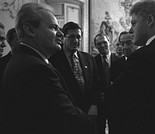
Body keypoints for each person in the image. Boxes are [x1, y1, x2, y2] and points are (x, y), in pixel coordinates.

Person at [1, 3, 93, 134]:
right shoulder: (36, 68)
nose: (61, 34)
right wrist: (90, 124)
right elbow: (67, 117)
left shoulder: (23, 59)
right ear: (30, 30)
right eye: (54, 28)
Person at [106, 0, 155, 134]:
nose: (131, 30)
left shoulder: (144, 55)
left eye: (134, 23)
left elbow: (116, 98)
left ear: (149, 20)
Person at [50, 22, 99, 130]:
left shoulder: (89, 58)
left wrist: (94, 105)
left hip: (88, 115)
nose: (76, 40)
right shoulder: (53, 60)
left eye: (78, 37)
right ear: (63, 38)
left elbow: (96, 84)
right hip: (65, 117)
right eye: (71, 36)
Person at [94, 33, 120, 134]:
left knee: (115, 128)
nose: (102, 45)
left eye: (104, 42)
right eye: (99, 44)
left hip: (116, 102)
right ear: (96, 46)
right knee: (99, 128)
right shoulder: (92, 61)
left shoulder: (119, 60)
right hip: (100, 103)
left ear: (109, 42)